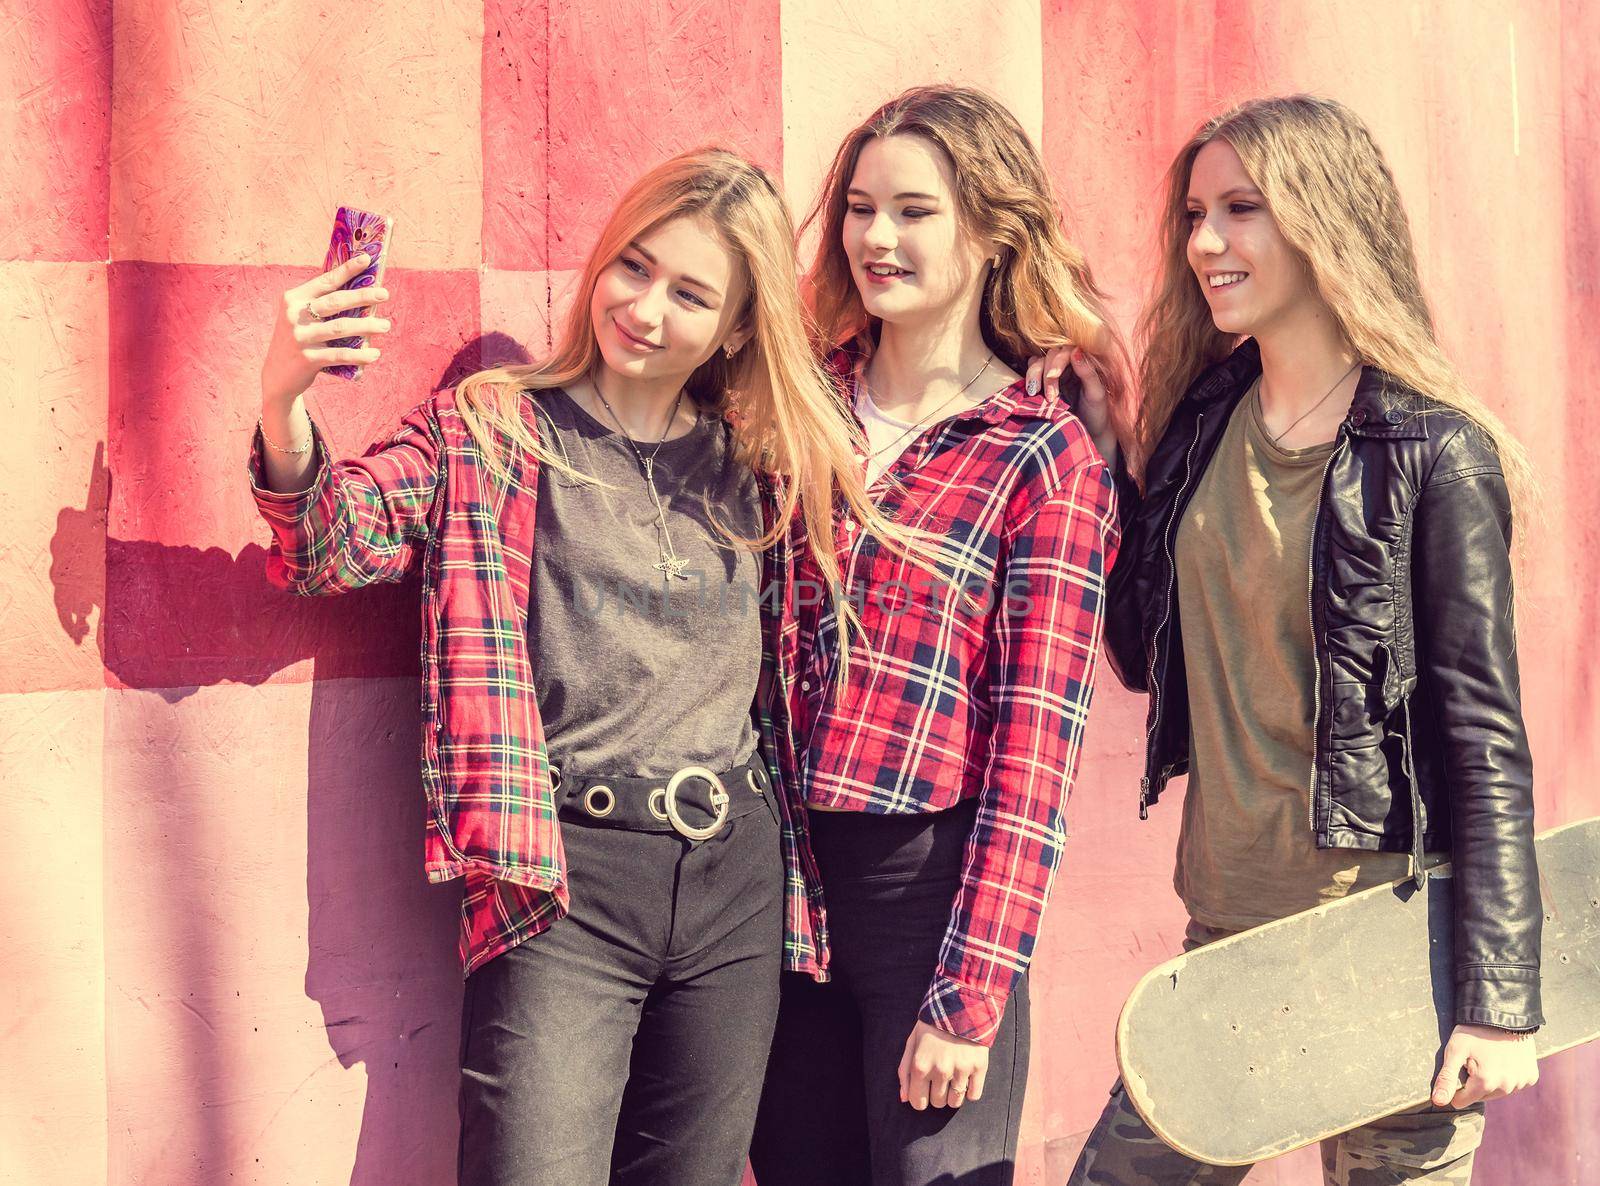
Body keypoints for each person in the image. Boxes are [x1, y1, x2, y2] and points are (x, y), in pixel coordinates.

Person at [249, 147, 920, 1186]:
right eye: (633, 267)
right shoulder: (495, 428)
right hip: (561, 879)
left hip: (737, 875)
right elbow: (332, 541)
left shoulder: (759, 463)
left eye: (690, 293)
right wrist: (284, 397)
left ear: (736, 326)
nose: (645, 308)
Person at [1057, 94, 1542, 1185]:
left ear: (1326, 220)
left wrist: (1498, 1006)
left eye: (1242, 209)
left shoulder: (1430, 451)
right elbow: (1146, 657)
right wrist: (1102, 449)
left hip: (1385, 942)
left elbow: (1483, 740)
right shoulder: (1202, 423)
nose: (1205, 243)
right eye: (1194, 213)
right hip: (1224, 931)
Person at [750, 85, 1132, 1186]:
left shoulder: (1040, 455)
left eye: (914, 211)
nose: (876, 237)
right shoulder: (789, 403)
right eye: (861, 208)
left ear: (991, 231)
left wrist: (968, 997)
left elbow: (1035, 752)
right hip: (767, 887)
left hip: (927, 894)